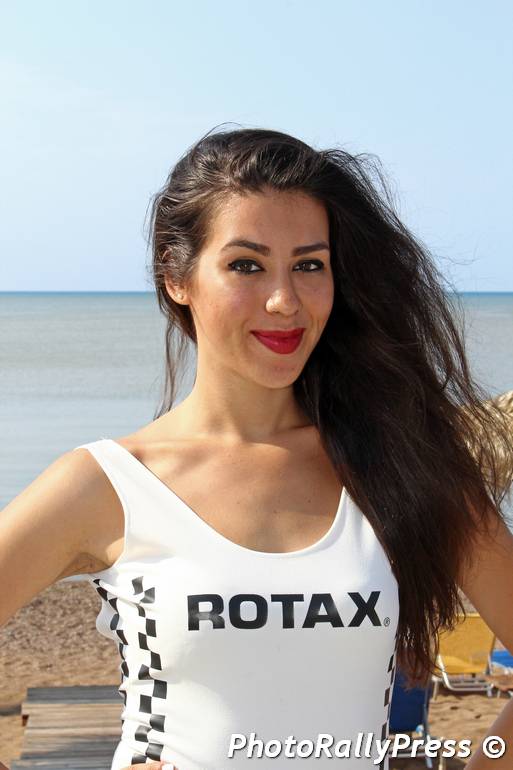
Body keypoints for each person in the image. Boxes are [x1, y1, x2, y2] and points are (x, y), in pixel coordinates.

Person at [2, 126, 513, 770]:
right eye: (246, 265)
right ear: (176, 277)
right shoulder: (110, 484)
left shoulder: (402, 466)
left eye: (309, 265)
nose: (284, 300)